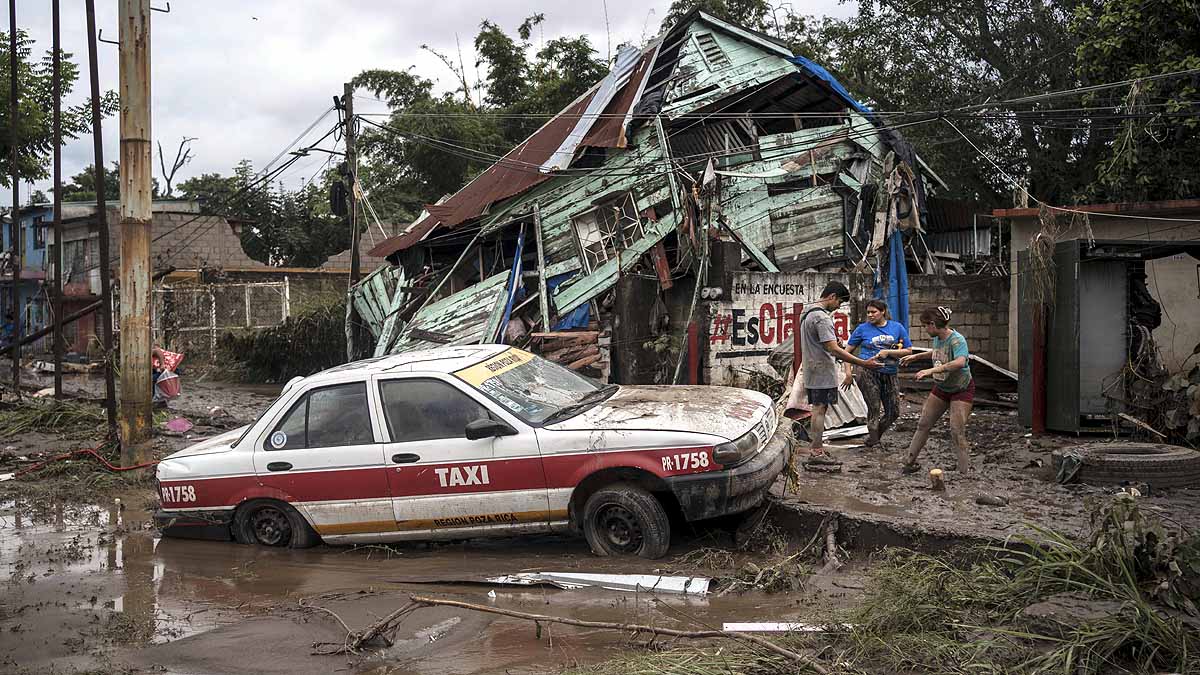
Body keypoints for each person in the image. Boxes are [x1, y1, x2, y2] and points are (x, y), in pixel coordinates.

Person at [798, 281, 882, 464]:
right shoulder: (822, 318)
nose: (838, 307)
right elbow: (833, 349)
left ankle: (816, 449)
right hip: (822, 371)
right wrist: (863, 362)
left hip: (812, 369)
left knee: (818, 409)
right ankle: (817, 452)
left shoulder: (807, 312)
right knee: (820, 410)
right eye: (839, 303)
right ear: (832, 297)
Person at [899, 306, 974, 474]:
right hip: (942, 387)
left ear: (933, 324)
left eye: (925, 325)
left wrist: (931, 371)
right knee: (923, 423)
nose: (925, 329)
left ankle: (964, 472)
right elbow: (938, 352)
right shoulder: (939, 338)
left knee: (956, 430)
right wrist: (917, 356)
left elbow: (960, 362)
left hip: (961, 389)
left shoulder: (957, 340)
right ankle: (909, 462)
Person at [841, 299, 911, 447]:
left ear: (883, 311)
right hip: (867, 372)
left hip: (890, 373)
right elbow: (846, 352)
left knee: (894, 411)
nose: (870, 315)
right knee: (874, 408)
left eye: (874, 312)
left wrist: (888, 352)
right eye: (868, 313)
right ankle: (875, 442)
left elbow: (908, 350)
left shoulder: (897, 328)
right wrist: (848, 373)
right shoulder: (862, 329)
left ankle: (874, 437)